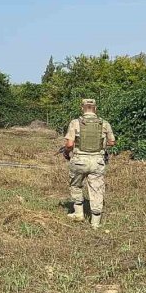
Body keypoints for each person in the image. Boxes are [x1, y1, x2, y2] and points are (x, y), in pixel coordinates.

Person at [62, 98, 116, 229]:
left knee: (76, 186)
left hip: (79, 160)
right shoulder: (104, 123)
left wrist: (66, 151)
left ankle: (79, 213)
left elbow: (69, 144)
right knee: (97, 189)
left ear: (82, 108)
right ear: (95, 109)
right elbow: (112, 142)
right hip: (97, 161)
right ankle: (95, 222)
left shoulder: (75, 122)